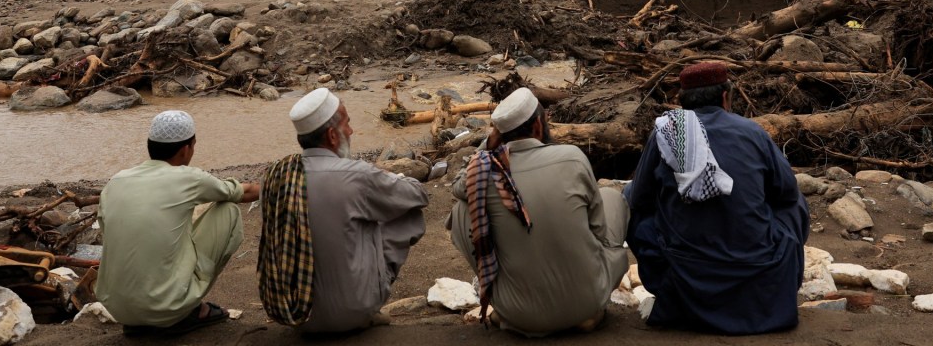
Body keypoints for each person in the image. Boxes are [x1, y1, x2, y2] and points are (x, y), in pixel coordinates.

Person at [625, 62, 809, 335]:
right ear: (726, 96)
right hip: (756, 265)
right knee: (795, 204)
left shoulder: (665, 133)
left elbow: (639, 198)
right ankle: (771, 284)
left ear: (683, 102)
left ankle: (673, 291)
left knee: (631, 202)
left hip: (687, 269)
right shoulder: (753, 133)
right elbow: (786, 192)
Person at [448, 88, 629, 336]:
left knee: (461, 210)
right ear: (537, 126)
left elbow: (459, 186)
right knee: (612, 197)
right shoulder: (572, 157)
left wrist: (485, 147)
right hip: (586, 303)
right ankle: (587, 314)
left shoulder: (485, 172)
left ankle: (508, 304)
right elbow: (598, 231)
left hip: (517, 313)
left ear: (500, 137)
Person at [257, 88, 428, 333]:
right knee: (406, 211)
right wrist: (389, 175)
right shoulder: (357, 174)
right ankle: (368, 308)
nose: (351, 131)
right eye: (347, 124)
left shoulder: (275, 176)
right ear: (332, 136)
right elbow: (418, 196)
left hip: (294, 314)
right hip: (353, 312)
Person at [96, 111, 260, 336]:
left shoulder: (115, 182)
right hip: (166, 309)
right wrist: (283, 182)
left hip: (117, 308)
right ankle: (191, 309)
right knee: (228, 209)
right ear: (186, 149)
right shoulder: (190, 178)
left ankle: (142, 311)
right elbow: (245, 192)